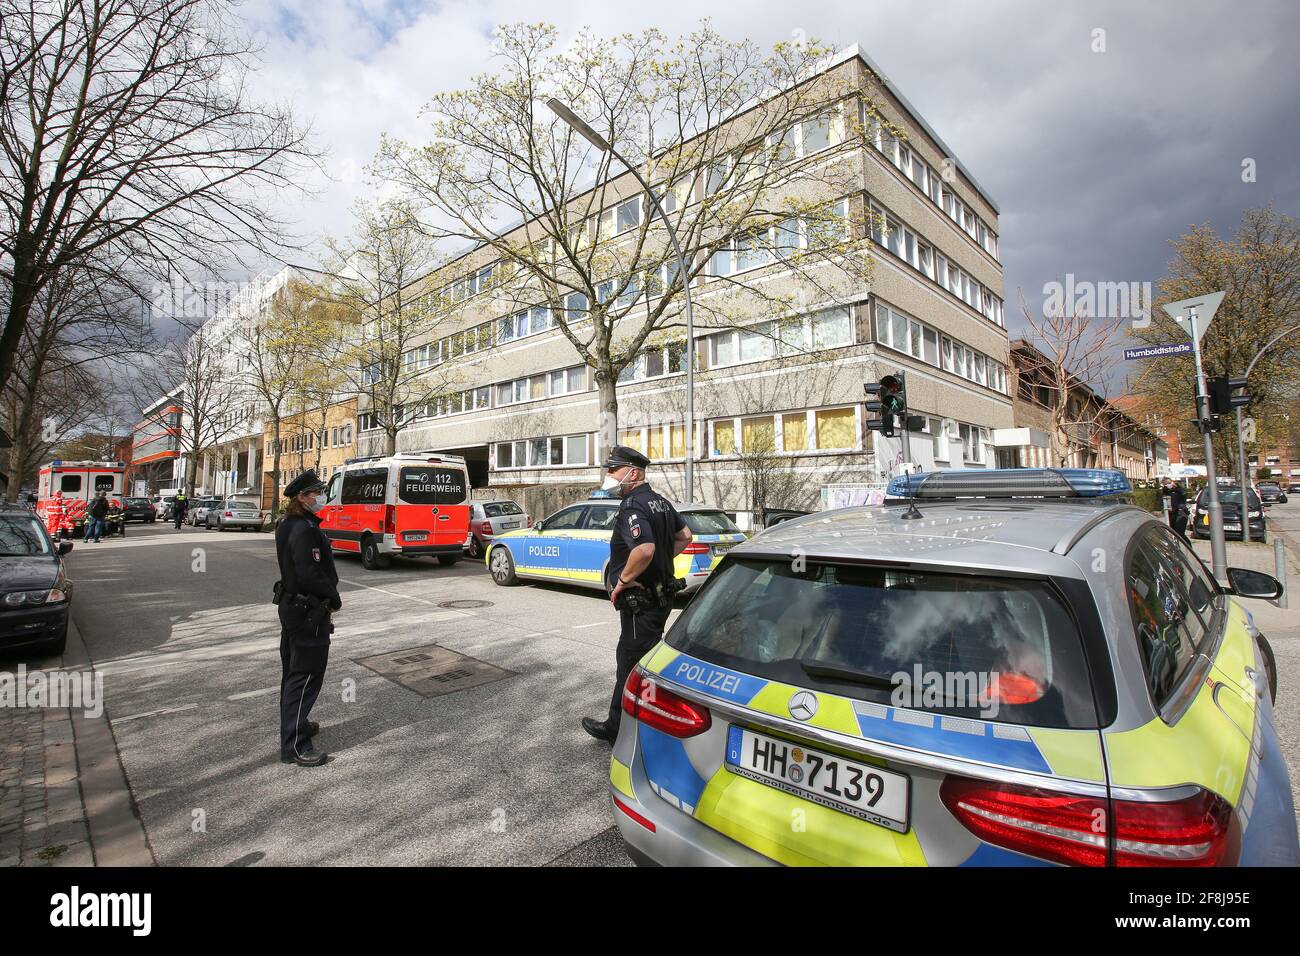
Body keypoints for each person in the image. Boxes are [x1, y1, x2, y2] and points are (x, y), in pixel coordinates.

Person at [581, 446, 693, 743]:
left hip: (640, 603)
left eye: (613, 469)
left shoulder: (633, 505)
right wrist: (659, 564)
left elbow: (644, 549)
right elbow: (685, 536)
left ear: (633, 473)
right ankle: (644, 722)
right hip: (661, 597)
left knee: (631, 663)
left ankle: (621, 729)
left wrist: (623, 581)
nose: (608, 475)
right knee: (646, 658)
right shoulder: (659, 502)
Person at [274, 469, 340, 767]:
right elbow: (310, 574)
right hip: (308, 611)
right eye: (316, 493)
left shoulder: (288, 524)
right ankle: (296, 745)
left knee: (294, 672)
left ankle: (297, 725)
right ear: (302, 498)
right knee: (306, 675)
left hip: (293, 608)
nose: (320, 497)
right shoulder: (304, 529)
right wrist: (333, 598)